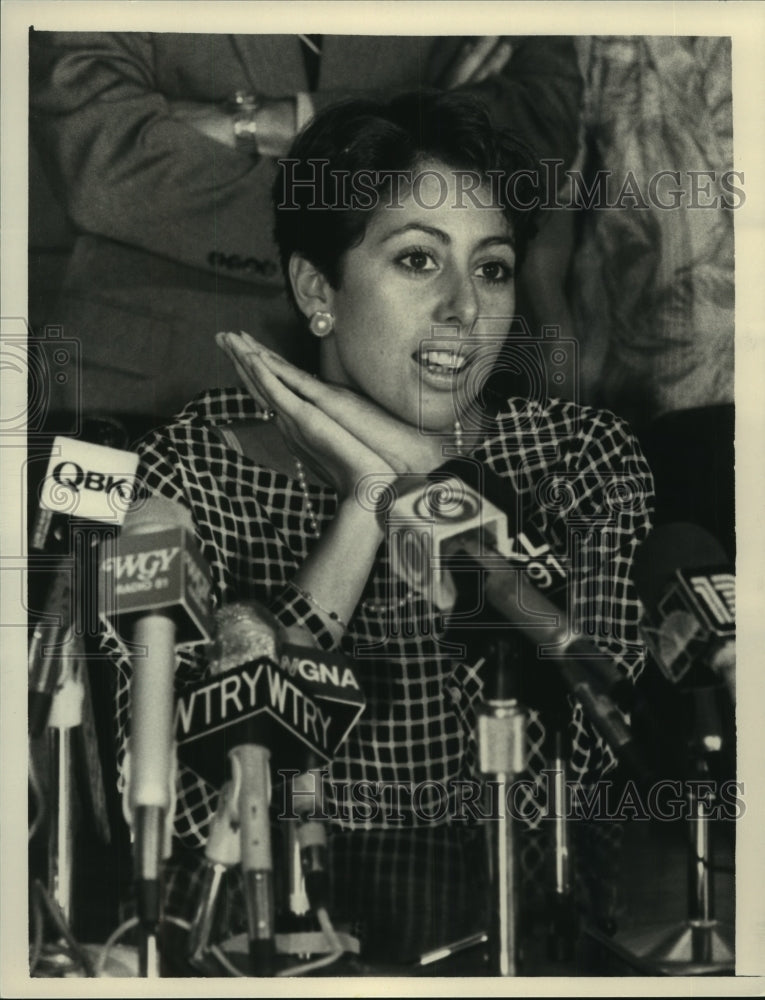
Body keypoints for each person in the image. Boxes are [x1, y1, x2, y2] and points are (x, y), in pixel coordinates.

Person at [104, 91, 654, 966]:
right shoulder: (196, 469)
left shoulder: (573, 458)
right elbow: (196, 819)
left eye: (493, 268)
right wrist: (365, 502)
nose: (464, 312)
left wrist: (414, 470)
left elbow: (585, 781)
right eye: (416, 261)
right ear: (317, 289)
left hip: (514, 960)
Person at [29, 32, 583, 429]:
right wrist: (423, 123)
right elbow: (101, 160)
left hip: (429, 412)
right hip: (149, 391)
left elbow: (538, 131)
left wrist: (267, 120)